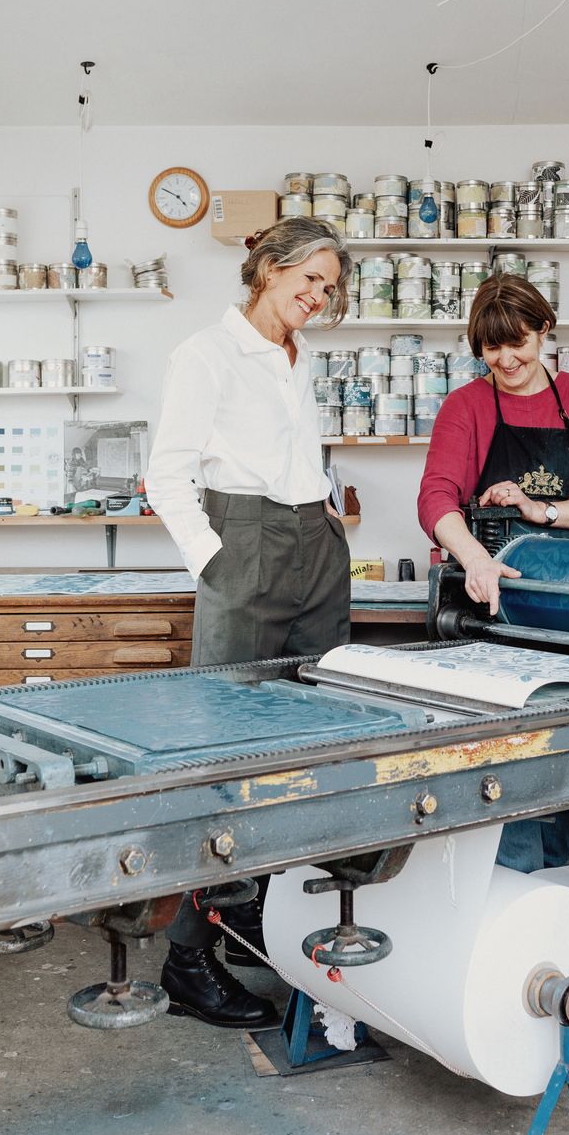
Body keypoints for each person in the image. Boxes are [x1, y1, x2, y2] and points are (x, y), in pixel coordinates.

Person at [145, 218, 353, 1027]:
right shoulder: (206, 353)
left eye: (329, 286)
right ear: (266, 268)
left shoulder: (301, 359)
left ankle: (251, 917)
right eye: (309, 277)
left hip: (315, 550)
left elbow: (299, 459)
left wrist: (328, 519)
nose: (317, 294)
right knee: (226, 762)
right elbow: (167, 472)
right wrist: (217, 563)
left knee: (311, 749)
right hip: (248, 551)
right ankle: (186, 960)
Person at [417, 272, 569, 873]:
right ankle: (514, 900)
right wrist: (476, 560)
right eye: (491, 348)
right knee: (508, 764)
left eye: (519, 343)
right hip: (495, 605)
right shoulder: (467, 406)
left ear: (544, 332)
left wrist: (540, 511)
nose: (506, 360)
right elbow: (436, 499)